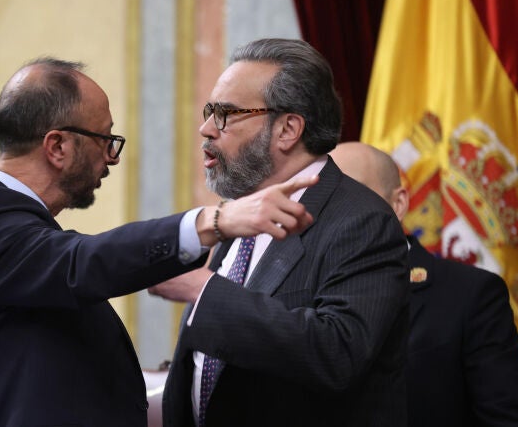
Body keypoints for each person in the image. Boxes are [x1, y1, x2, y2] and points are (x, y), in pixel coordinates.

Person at [0, 57, 316, 427]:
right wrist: (215, 221)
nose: (112, 157)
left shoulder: (11, 229)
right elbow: (83, 262)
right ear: (57, 146)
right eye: (104, 139)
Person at [150, 39, 409, 426]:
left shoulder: (361, 221)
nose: (206, 129)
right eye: (209, 112)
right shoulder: (241, 214)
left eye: (226, 114)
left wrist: (203, 290)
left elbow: (337, 353)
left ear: (288, 129)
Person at [330, 141, 518, 426]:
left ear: (398, 204)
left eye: (350, 194)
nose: (332, 213)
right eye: (322, 200)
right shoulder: (294, 295)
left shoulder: (469, 295)